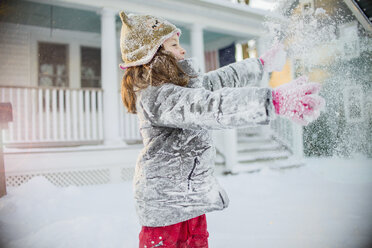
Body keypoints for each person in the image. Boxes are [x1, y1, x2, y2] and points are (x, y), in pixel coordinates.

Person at [118, 11, 324, 248]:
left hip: (190, 204)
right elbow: (208, 106)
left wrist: (260, 64)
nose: (182, 50)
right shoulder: (158, 96)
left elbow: (220, 80)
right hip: (166, 209)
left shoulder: (179, 87)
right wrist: (272, 101)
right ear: (154, 54)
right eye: (174, 45)